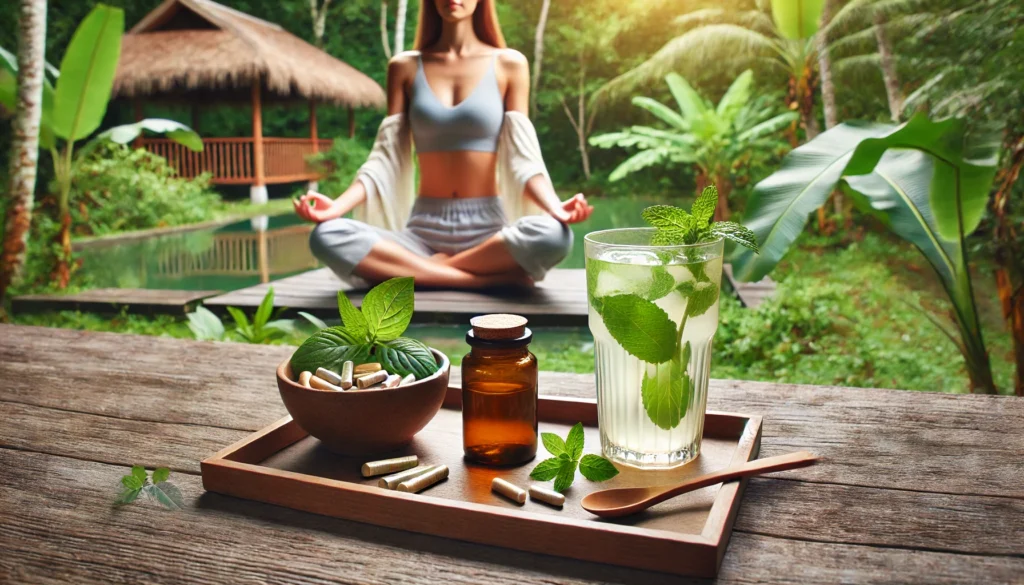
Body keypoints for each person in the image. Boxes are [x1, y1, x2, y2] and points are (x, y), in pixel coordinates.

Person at [294, 0, 593, 289]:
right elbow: (384, 158)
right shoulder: (404, 67)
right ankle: (484, 281)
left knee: (555, 235)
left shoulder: (509, 64)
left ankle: (422, 274)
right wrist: (336, 208)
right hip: (421, 236)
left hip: (489, 234)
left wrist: (557, 207)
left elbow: (523, 158)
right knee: (327, 235)